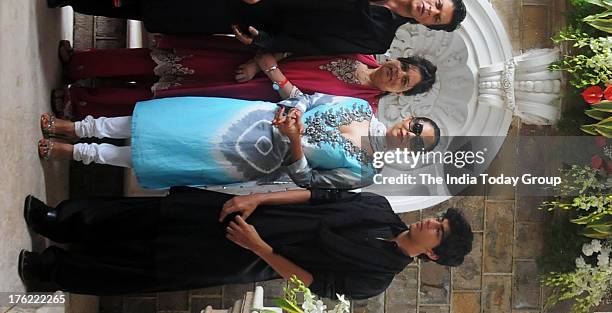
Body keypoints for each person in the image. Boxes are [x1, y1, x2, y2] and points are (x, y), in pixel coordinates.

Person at [38, 52, 441, 190]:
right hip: (247, 117)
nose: (411, 134)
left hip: (250, 160)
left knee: (162, 156)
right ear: (408, 117)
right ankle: (80, 127)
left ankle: (78, 154)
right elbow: (305, 98)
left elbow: (308, 181)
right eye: (417, 126)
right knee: (163, 124)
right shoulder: (361, 109)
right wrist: (295, 113)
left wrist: (296, 143)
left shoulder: (366, 172)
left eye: (418, 142)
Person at [19, 188, 474, 297]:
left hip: (251, 254)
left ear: (434, 254)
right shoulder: (378, 206)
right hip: (260, 215)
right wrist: (257, 197)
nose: (432, 222)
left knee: (145, 263)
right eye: (439, 218)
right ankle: (61, 221)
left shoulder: (376, 279)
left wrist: (257, 247)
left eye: (440, 231)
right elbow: (316, 194)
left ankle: (52, 272)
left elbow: (312, 281)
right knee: (149, 216)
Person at [47, 0, 467, 56]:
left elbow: (314, 45)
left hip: (257, 19)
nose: (429, 10)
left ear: (426, 25)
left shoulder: (377, 39)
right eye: (437, 4)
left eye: (435, 18)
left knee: (162, 14)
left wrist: (266, 42)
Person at [53, 35, 437, 119]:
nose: (396, 74)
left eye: (403, 81)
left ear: (400, 94)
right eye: (403, 67)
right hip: (246, 60)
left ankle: (81, 103)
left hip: (251, 94)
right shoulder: (359, 48)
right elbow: (308, 41)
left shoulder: (362, 107)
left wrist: (268, 71)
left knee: (166, 97)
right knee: (168, 59)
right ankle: (85, 65)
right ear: (398, 59)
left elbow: (305, 109)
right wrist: (265, 59)